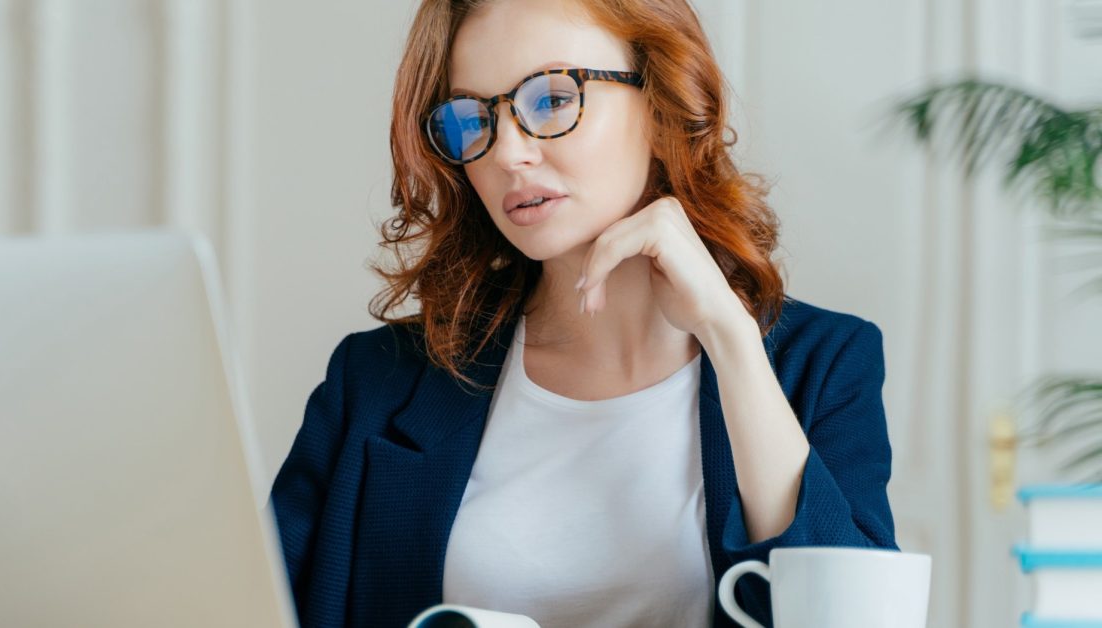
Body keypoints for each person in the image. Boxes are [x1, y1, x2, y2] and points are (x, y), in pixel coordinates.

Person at [270, 0, 898, 626]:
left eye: (550, 100)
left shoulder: (826, 362)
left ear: (661, 106)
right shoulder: (375, 380)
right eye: (471, 118)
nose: (507, 154)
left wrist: (729, 337)